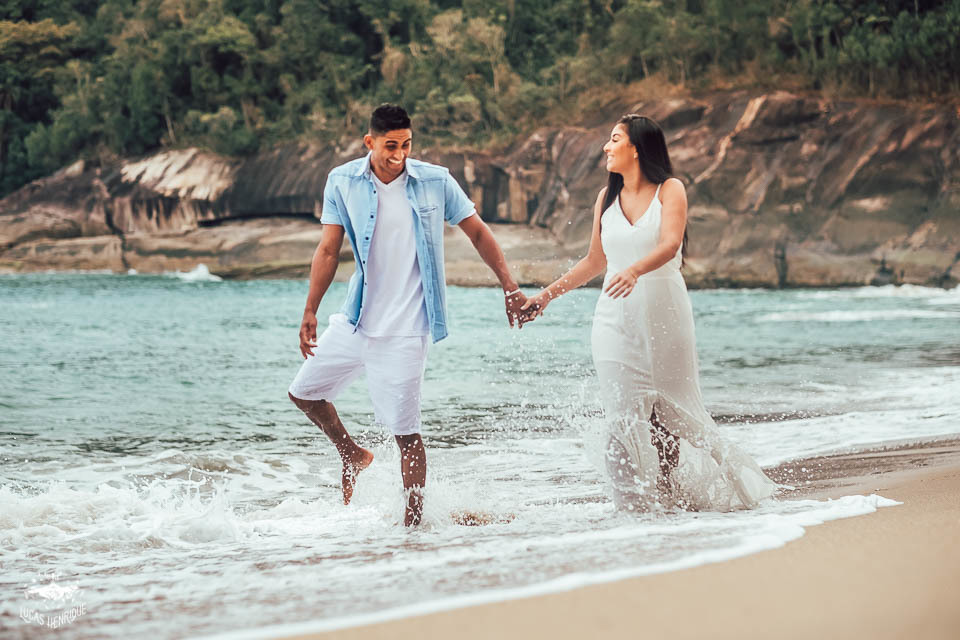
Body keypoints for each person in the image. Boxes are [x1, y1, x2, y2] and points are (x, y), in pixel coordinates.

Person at [288, 104, 529, 526]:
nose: (398, 154)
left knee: (407, 435)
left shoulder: (435, 181)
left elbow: (477, 231)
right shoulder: (342, 181)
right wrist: (310, 309)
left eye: (406, 145)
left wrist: (509, 286)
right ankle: (352, 453)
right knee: (304, 392)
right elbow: (328, 249)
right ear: (370, 142)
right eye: (390, 146)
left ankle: (413, 530)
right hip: (357, 318)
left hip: (407, 328)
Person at [522, 114, 777, 512]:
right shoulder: (605, 200)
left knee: (673, 416)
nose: (607, 147)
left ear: (637, 148)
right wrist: (545, 297)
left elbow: (671, 243)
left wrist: (636, 269)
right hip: (613, 322)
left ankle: (678, 494)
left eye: (614, 139)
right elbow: (594, 260)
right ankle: (634, 510)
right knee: (621, 417)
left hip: (665, 318)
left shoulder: (670, 189)